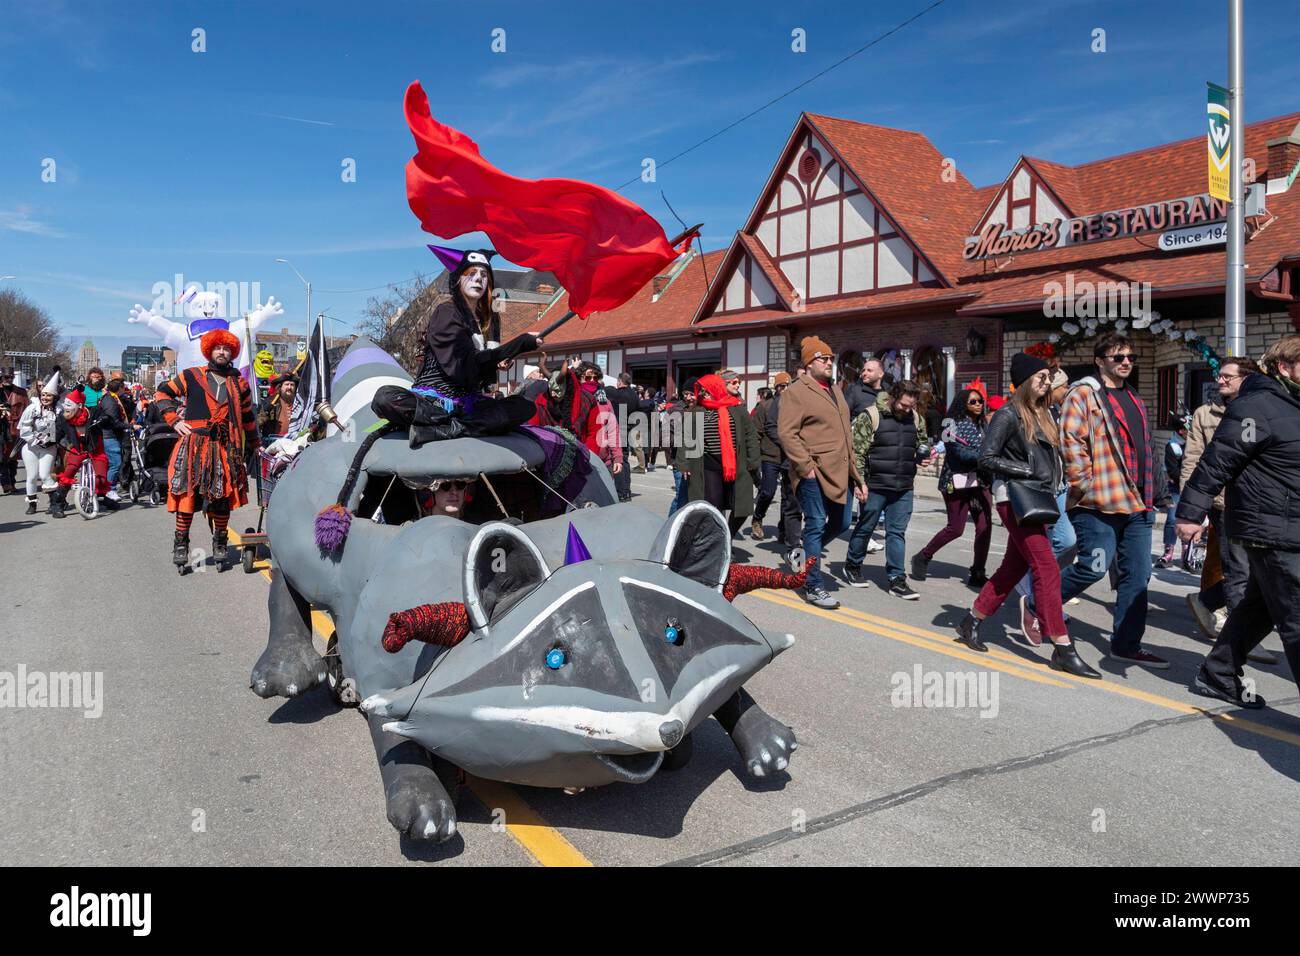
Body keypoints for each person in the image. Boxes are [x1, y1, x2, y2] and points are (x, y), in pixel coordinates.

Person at [953, 354, 1101, 678]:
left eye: (1049, 378)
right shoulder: (1008, 414)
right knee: (1046, 566)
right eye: (1041, 378)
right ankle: (1062, 646)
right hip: (1016, 500)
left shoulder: (1043, 413)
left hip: (1038, 499)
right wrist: (1026, 469)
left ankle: (972, 621)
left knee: (1012, 568)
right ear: (1024, 381)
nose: (1047, 383)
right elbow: (986, 458)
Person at [1178, 334, 1300, 706]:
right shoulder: (1257, 407)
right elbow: (1218, 460)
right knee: (1296, 619)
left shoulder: (1292, 404)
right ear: (1285, 367)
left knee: (1259, 604)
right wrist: (1189, 513)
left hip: (1288, 524)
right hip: (1272, 528)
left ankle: (1219, 672)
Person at [1057, 332, 1170, 669]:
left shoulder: (1135, 398)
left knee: (1138, 576)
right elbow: (1071, 441)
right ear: (1100, 360)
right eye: (1118, 357)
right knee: (1093, 567)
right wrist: (1083, 484)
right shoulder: (1083, 394)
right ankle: (1038, 603)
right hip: (1098, 502)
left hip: (1138, 502)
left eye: (1130, 358)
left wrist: (1158, 493)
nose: (1125, 363)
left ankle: (1126, 644)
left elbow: (1146, 450)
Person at [1181, 358, 1275, 667]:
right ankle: (1242, 641)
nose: (1220, 381)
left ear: (1246, 379)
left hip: (1263, 505)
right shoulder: (1205, 414)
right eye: (1218, 376)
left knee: (1261, 571)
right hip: (1226, 504)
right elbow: (1193, 459)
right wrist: (1192, 507)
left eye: (1226, 376)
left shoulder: (1265, 408)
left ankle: (1207, 600)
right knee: (1239, 571)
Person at [154, 329, 258, 569]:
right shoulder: (191, 376)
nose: (222, 352)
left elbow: (248, 417)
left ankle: (220, 543)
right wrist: (174, 420)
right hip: (194, 446)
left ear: (231, 352)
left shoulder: (239, 383)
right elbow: (162, 393)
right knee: (187, 496)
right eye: (218, 348)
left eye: (226, 349)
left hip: (225, 448)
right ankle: (181, 545)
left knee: (221, 499)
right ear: (209, 350)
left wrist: (257, 446)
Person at [778, 336, 867, 609]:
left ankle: (803, 554)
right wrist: (805, 468)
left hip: (841, 470)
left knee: (840, 523)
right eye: (823, 358)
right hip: (813, 472)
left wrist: (858, 478)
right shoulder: (796, 391)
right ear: (809, 363)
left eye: (831, 358)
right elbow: (787, 433)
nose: (829, 362)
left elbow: (846, 438)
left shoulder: (836, 390)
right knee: (815, 523)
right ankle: (813, 585)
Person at [410, 248, 539, 431]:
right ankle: (451, 425)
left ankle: (456, 427)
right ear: (458, 280)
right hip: (438, 398)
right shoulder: (447, 312)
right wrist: (517, 345)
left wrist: (498, 362)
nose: (478, 278)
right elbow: (460, 366)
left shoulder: (488, 320)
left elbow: (481, 368)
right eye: (471, 273)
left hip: (470, 400)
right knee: (388, 398)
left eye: (484, 274)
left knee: (524, 407)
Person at [843, 379, 932, 599]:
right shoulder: (871, 416)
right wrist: (859, 482)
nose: (906, 409)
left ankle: (897, 580)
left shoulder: (916, 418)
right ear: (893, 397)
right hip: (875, 485)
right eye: (903, 404)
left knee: (897, 533)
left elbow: (921, 442)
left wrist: (924, 455)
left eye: (911, 406)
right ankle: (852, 566)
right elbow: (858, 452)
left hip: (903, 486)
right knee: (866, 527)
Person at [1014, 367, 1079, 644]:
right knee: (1058, 543)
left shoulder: (1054, 413)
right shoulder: (1021, 413)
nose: (1066, 392)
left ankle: (1041, 594)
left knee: (1063, 543)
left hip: (1060, 486)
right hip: (1038, 490)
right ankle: (1036, 597)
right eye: (1062, 387)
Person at [911, 388, 991, 586]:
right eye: (973, 401)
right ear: (963, 403)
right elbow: (957, 452)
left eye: (980, 401)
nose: (978, 404)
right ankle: (923, 556)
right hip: (956, 481)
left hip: (980, 481)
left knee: (985, 527)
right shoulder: (949, 425)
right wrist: (986, 457)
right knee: (956, 528)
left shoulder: (984, 424)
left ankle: (978, 571)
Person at [682, 371, 760, 537]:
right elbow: (687, 438)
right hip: (709, 465)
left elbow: (751, 435)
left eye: (706, 390)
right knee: (715, 505)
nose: (703, 394)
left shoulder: (737, 408)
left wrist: (753, 460)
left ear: (715, 389)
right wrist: (684, 463)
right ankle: (718, 541)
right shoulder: (696, 410)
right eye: (702, 391)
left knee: (742, 506)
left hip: (736, 465)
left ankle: (728, 535)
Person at [51, 388, 112, 517]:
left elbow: (106, 417)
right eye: (65, 404)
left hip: (96, 450)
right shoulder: (63, 417)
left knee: (101, 477)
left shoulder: (93, 412)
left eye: (69, 405)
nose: (65, 408)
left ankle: (102, 498)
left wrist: (104, 419)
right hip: (78, 449)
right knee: (68, 473)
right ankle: (58, 504)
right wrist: (50, 440)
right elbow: (56, 433)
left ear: (79, 405)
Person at [18, 381, 59, 514]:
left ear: (54, 397)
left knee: (45, 474)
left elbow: (63, 427)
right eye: (44, 395)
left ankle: (54, 503)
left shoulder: (59, 410)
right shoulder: (32, 408)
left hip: (49, 447)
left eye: (49, 396)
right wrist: (35, 440)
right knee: (32, 476)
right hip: (31, 447)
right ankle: (32, 504)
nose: (45, 398)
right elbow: (23, 428)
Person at [749, 384, 780, 540]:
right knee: (768, 491)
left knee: (791, 497)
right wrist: (754, 457)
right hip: (769, 455)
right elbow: (756, 433)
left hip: (791, 456)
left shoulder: (796, 405)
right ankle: (757, 518)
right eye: (781, 386)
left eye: (787, 385)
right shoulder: (765, 406)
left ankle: (785, 530)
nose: (785, 389)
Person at [1156, 416, 1188, 568]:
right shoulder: (1172, 446)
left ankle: (1187, 551)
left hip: (1191, 487)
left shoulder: (1194, 442)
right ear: (1181, 431)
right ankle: (1168, 551)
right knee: (1172, 518)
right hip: (1176, 487)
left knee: (1188, 518)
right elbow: (1173, 471)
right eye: (1188, 429)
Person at [604, 372, 640, 500]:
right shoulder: (635, 396)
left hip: (619, 429)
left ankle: (621, 492)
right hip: (630, 429)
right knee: (625, 460)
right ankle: (627, 491)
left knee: (617, 460)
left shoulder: (616, 394)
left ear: (619, 381)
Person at [97, 373, 132, 502]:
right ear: (119, 388)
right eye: (123, 387)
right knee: (115, 463)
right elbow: (113, 422)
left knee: (113, 463)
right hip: (109, 436)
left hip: (111, 435)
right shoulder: (110, 401)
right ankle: (110, 489)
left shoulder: (112, 398)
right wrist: (129, 426)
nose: (125, 390)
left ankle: (107, 489)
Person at [0, 368, 29, 493]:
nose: (9, 379)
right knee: (1, 457)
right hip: (1, 428)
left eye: (11, 377)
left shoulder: (21, 392)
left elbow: (27, 411)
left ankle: (11, 482)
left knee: (12, 458)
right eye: (6, 377)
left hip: (15, 428)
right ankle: (6, 482)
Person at [258, 372, 299, 443]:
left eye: (292, 385)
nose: (289, 387)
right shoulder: (271, 402)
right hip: (274, 442)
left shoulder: (299, 403)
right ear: (280, 387)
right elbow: (258, 423)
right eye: (286, 384)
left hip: (295, 441)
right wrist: (265, 413)